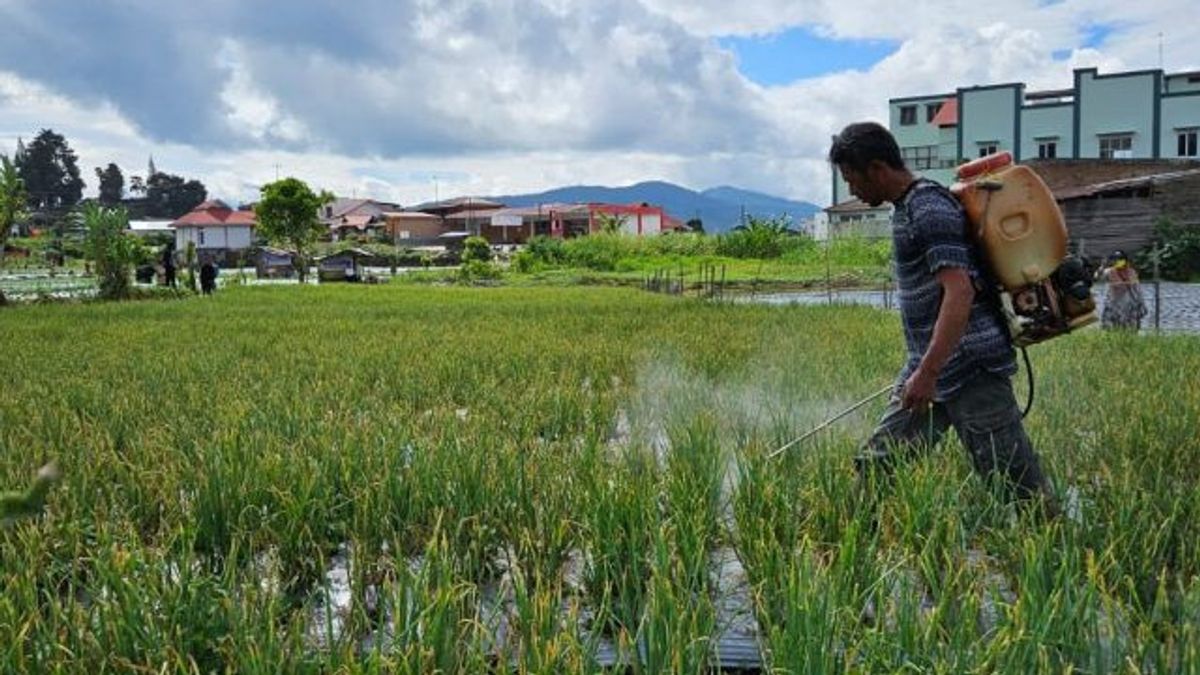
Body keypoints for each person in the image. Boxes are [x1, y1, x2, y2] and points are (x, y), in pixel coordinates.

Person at [828, 122, 1057, 515]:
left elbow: (960, 291)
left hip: (970, 368)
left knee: (1016, 484)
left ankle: (1058, 556)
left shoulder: (928, 207)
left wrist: (929, 372)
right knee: (879, 462)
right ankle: (845, 547)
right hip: (930, 369)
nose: (851, 189)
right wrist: (925, 370)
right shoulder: (908, 208)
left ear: (878, 168)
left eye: (852, 179)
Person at [1098, 250, 1146, 330]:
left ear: (1125, 260)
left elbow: (1137, 289)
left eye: (1119, 259)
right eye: (1115, 259)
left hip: (1130, 305)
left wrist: (1141, 304)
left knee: (1130, 328)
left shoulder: (1131, 272)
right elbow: (1098, 277)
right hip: (1113, 303)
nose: (1117, 261)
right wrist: (1102, 266)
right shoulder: (1109, 271)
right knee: (1111, 328)